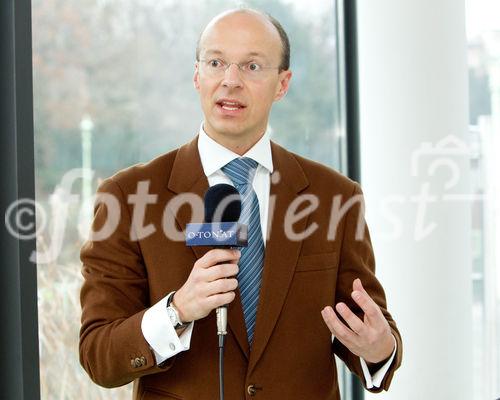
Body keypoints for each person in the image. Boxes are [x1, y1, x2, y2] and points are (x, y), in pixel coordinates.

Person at [79, 7, 402, 400]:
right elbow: (99, 356)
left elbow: (369, 328)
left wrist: (380, 350)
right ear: (197, 76)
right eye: (216, 62)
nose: (230, 81)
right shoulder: (128, 197)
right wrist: (177, 310)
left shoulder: (334, 196)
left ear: (282, 84)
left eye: (252, 66)